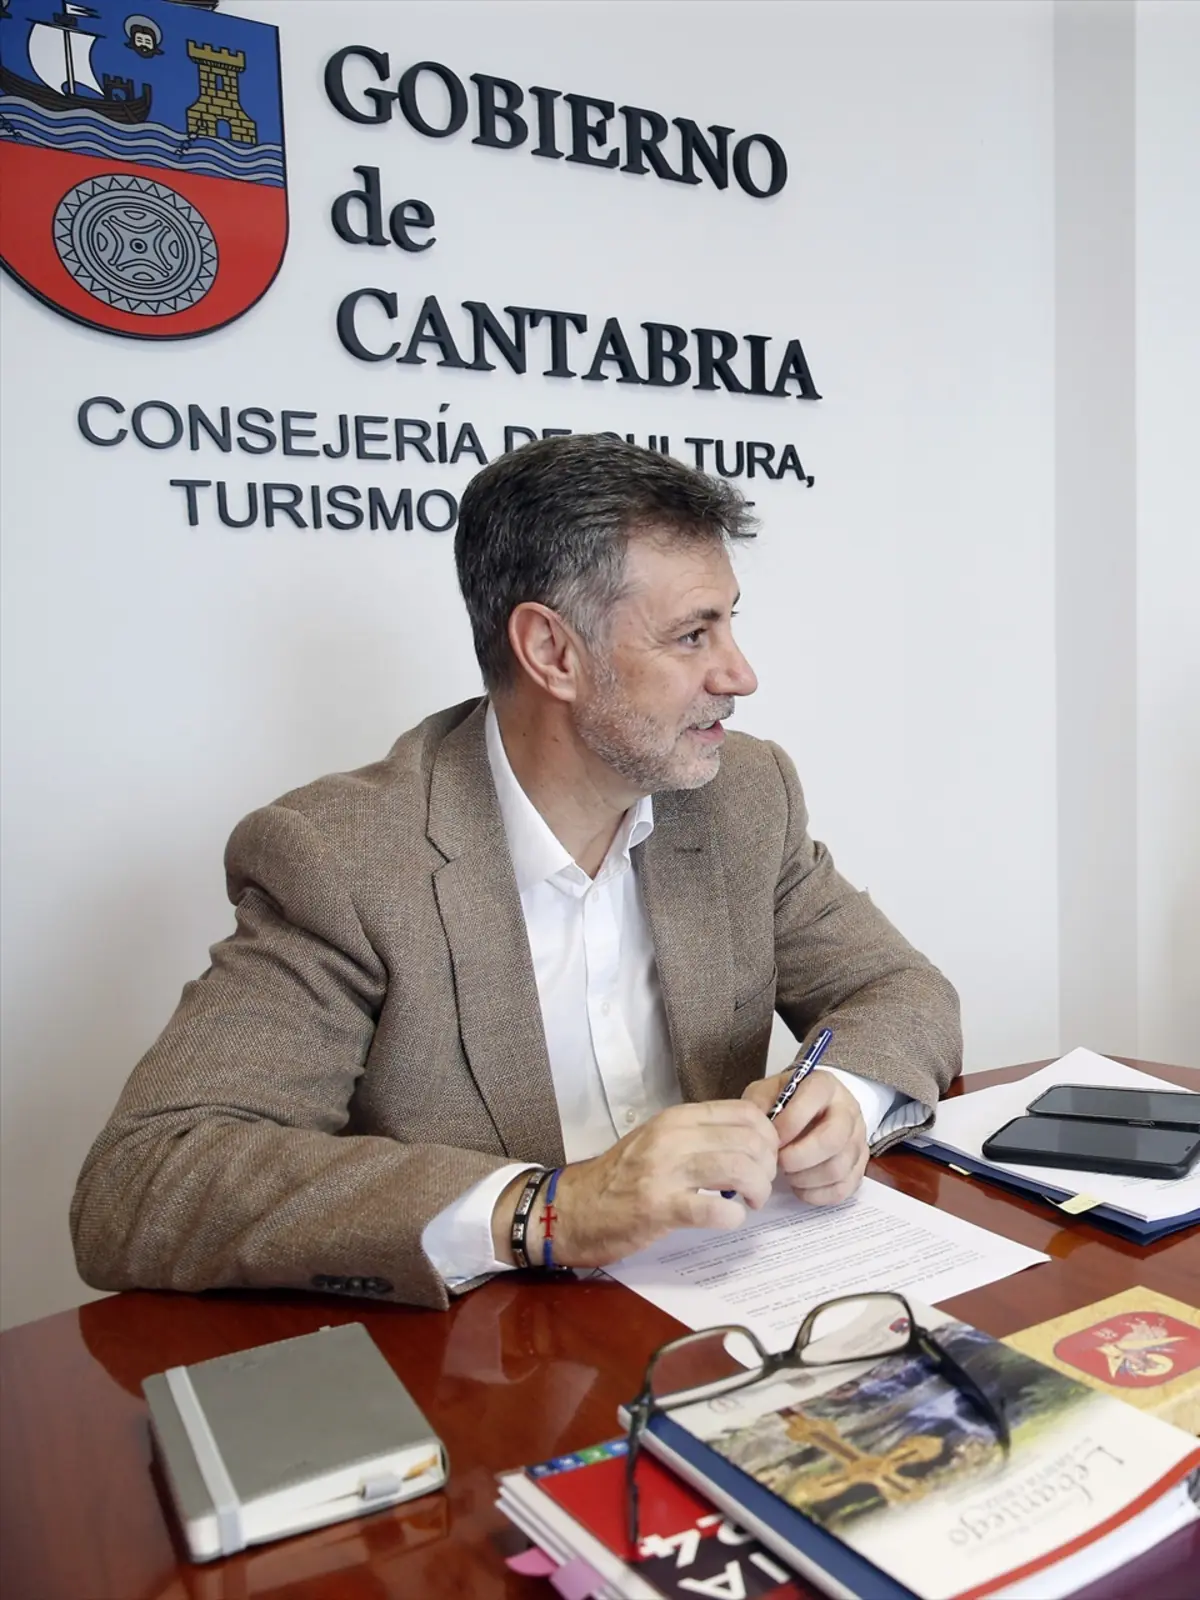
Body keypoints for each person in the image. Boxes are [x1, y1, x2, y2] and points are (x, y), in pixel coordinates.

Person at [71, 435, 961, 1310]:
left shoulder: (742, 795)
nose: (741, 673)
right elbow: (146, 1180)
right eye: (693, 634)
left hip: (731, 1308)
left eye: (731, 621)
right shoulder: (341, 857)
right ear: (552, 653)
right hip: (491, 1365)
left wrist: (843, 1097)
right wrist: (548, 1210)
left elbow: (902, 991)